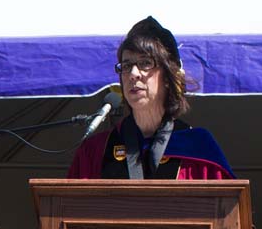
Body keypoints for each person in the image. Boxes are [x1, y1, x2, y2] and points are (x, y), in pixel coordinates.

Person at [68, 16, 234, 180]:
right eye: (126, 66)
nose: (133, 74)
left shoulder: (199, 148)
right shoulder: (95, 151)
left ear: (169, 77)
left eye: (145, 63)